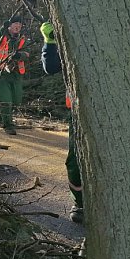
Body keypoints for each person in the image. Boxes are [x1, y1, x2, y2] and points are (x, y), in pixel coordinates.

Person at [40, 21, 84, 223]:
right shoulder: (70, 26)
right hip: (78, 110)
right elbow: (51, 67)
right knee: (75, 162)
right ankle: (80, 204)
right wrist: (50, 42)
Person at [0, 16, 29, 135]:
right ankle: (8, 125)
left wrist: (19, 56)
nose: (18, 26)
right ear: (9, 25)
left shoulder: (22, 38)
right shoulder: (1, 36)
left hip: (16, 73)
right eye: (15, 24)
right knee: (6, 100)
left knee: (16, 100)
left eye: (20, 25)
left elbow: (27, 53)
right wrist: (3, 28)